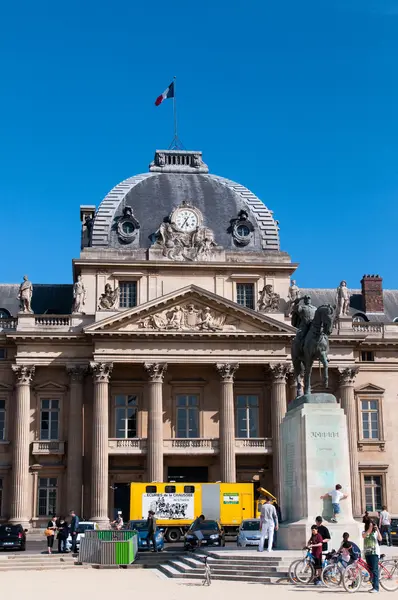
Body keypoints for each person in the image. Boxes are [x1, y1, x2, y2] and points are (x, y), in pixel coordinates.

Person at [362, 520, 382, 593]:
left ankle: (376, 588)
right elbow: (364, 536)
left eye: (372, 525)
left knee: (374, 570)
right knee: (370, 571)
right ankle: (373, 586)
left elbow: (380, 538)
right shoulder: (364, 532)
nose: (371, 526)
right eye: (370, 525)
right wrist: (370, 528)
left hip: (374, 553)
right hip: (367, 553)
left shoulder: (375, 532)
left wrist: (377, 530)